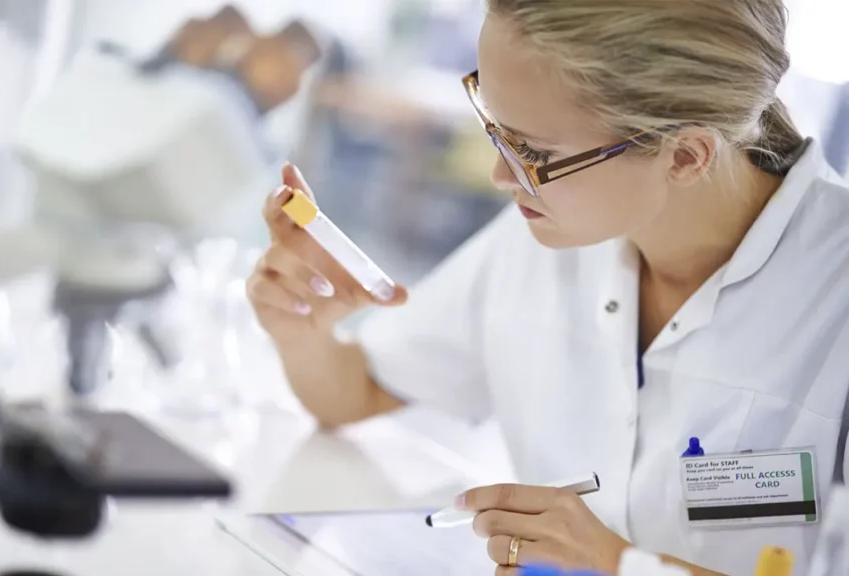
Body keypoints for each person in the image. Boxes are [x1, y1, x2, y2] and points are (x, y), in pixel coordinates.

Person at [246, 1, 849, 575]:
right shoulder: (548, 234)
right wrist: (302, 327)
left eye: (533, 151)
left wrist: (616, 564)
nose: (500, 174)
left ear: (687, 157)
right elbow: (354, 392)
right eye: (496, 127)